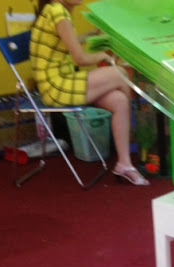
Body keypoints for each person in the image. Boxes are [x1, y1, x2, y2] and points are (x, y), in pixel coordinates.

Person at [30, 0, 149, 185]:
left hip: (61, 82)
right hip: (57, 87)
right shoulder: (58, 12)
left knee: (118, 100)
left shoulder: (53, 9)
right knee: (121, 73)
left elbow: (66, 41)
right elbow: (80, 58)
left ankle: (124, 164)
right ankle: (137, 131)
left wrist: (90, 35)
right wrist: (103, 55)